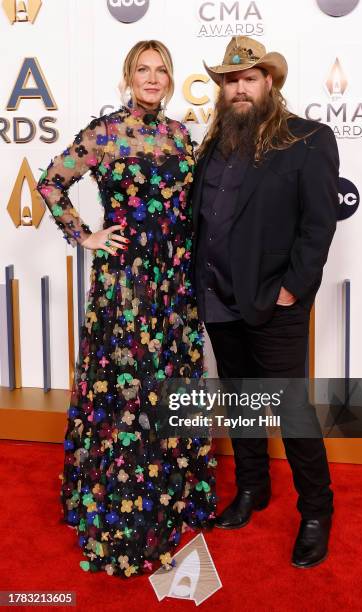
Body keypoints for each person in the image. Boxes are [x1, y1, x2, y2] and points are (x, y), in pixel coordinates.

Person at [37, 39, 216, 578]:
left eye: (162, 70)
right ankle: (122, 504)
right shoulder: (107, 132)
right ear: (128, 76)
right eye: (144, 69)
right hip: (125, 288)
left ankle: (173, 491)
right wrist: (85, 235)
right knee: (127, 390)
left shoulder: (183, 135)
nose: (154, 79)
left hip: (173, 287)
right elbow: (50, 183)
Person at [192, 36, 339, 568]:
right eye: (230, 80)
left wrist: (292, 289)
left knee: (292, 410)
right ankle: (253, 488)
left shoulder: (308, 139)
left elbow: (318, 226)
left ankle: (317, 512)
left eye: (248, 77)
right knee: (240, 401)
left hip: (274, 301)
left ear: (269, 83)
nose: (239, 87)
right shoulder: (214, 143)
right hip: (217, 298)